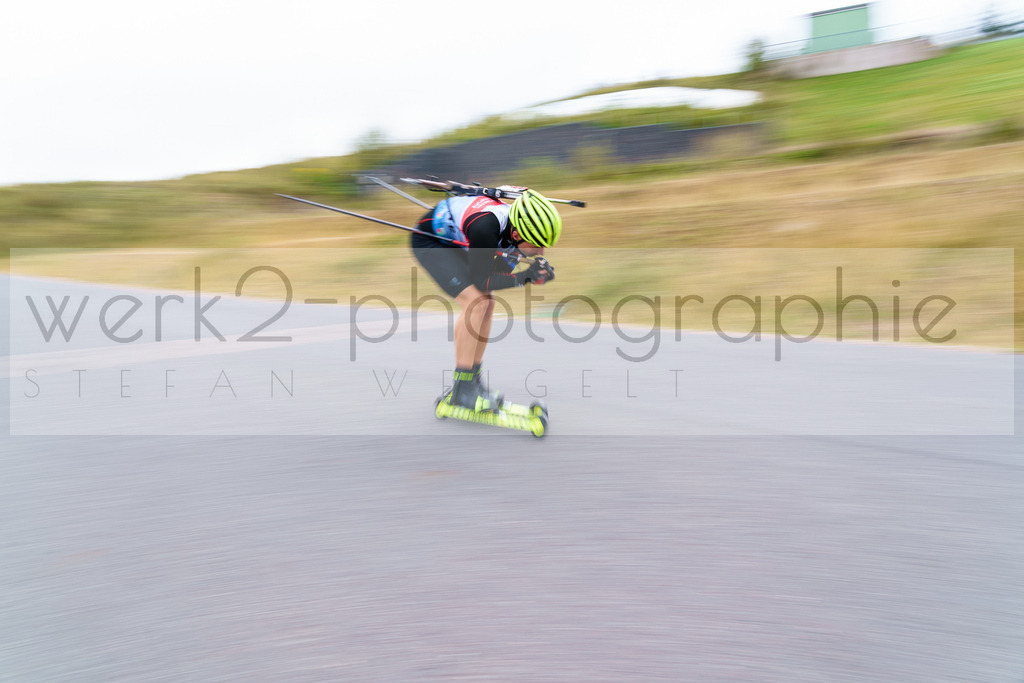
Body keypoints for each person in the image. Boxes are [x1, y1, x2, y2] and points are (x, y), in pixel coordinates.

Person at [411, 189, 562, 412]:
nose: (541, 251)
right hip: (430, 242)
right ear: (518, 234)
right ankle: (462, 388)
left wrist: (532, 273)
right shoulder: (486, 228)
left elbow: (497, 271)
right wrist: (525, 276)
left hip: (456, 240)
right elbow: (482, 280)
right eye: (537, 245)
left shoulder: (517, 231)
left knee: (488, 304)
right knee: (476, 302)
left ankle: (472, 382)